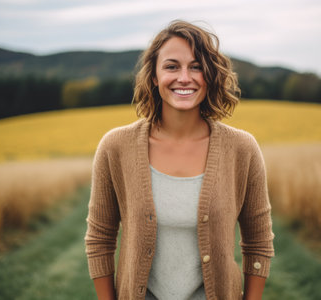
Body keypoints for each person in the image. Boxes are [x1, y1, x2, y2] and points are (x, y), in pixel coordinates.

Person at [85, 20, 274, 300]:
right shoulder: (115, 147)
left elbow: (258, 240)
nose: (184, 77)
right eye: (172, 66)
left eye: (196, 66)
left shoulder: (242, 149)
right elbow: (99, 238)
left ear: (209, 75)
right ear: (154, 76)